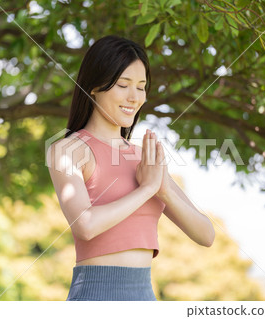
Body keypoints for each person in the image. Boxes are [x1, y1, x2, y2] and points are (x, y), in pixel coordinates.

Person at [46, 35, 215, 301]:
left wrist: (163, 190)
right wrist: (147, 188)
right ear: (94, 87)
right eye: (123, 85)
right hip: (95, 296)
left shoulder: (144, 158)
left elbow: (206, 235)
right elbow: (85, 226)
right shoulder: (68, 151)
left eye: (141, 86)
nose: (134, 97)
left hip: (145, 297)